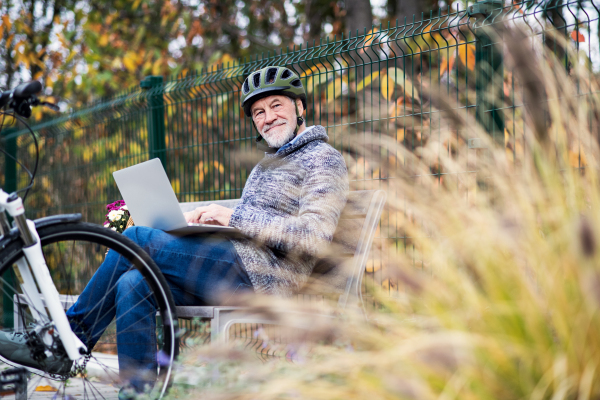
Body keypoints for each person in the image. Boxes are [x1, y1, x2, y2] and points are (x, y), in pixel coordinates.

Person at [0, 66, 349, 394]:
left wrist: (232, 218)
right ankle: (141, 395)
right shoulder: (266, 165)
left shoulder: (322, 158)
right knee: (133, 283)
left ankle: (67, 340)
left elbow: (313, 237)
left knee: (135, 239)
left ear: (300, 107)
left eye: (276, 105)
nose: (268, 116)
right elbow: (253, 224)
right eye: (259, 112)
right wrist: (207, 221)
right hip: (232, 267)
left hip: (265, 280)